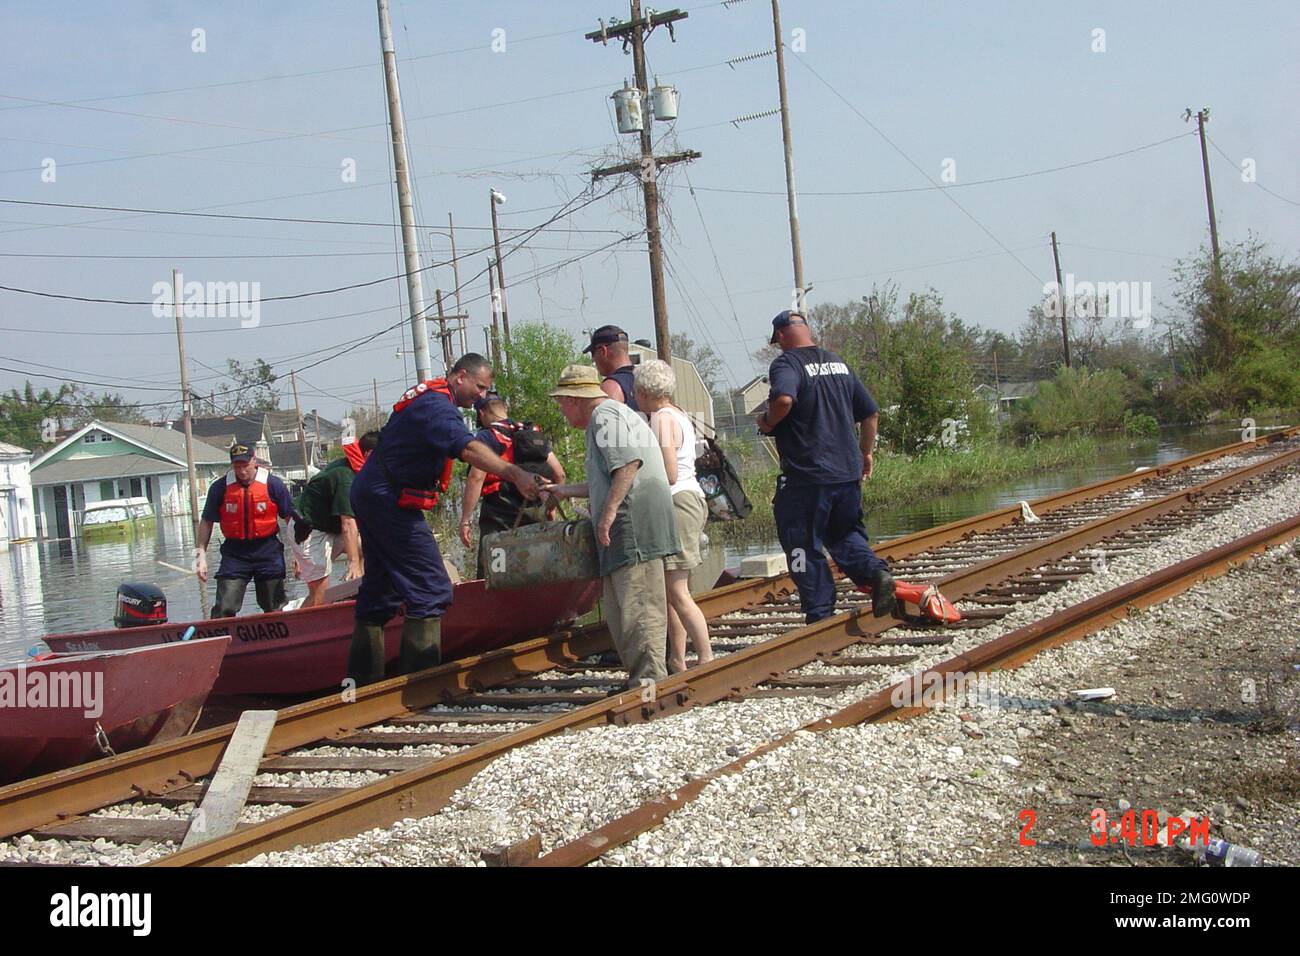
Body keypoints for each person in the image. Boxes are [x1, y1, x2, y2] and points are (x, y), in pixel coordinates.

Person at [347, 354, 540, 686]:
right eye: (478, 387)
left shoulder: (431, 399)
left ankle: (364, 687)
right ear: (460, 376)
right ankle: (420, 689)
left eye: (486, 391)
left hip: (374, 492)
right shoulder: (437, 407)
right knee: (431, 588)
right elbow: (466, 448)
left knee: (380, 590)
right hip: (387, 498)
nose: (481, 396)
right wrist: (513, 472)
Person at [543, 364, 679, 688]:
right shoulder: (609, 417)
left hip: (633, 519)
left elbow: (628, 464)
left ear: (574, 399)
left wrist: (607, 515)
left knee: (638, 603)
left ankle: (651, 682)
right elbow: (611, 475)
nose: (562, 411)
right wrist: (563, 490)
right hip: (629, 516)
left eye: (562, 402)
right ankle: (642, 678)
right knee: (622, 608)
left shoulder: (604, 416)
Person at [756, 310, 896, 623]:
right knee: (846, 535)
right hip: (847, 472)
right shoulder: (839, 363)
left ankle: (819, 615)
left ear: (780, 337)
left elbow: (784, 400)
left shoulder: (786, 363)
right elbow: (870, 413)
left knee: (801, 545)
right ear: (806, 330)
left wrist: (766, 422)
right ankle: (876, 574)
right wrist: (866, 453)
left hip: (807, 477)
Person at [633, 359, 713, 673]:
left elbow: (666, 471)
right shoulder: (679, 414)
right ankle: (677, 660)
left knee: (678, 591)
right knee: (673, 590)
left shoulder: (661, 419)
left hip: (678, 502)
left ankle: (706, 657)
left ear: (642, 392)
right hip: (690, 498)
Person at [458, 392, 566, 578]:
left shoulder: (488, 436)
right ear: (505, 409)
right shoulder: (531, 433)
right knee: (534, 568)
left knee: (493, 570)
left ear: (481, 414)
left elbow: (476, 477)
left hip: (500, 513)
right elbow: (559, 473)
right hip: (534, 509)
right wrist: (551, 507)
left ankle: (494, 605)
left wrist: (465, 520)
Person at [195, 443, 302, 619]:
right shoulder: (219, 488)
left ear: (254, 461)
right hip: (235, 553)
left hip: (267, 549)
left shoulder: (273, 485)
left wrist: (298, 555)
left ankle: (279, 640)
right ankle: (221, 639)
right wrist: (200, 557)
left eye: (245, 465)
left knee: (274, 606)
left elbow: (292, 520)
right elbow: (206, 522)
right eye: (237, 466)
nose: (241, 471)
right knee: (223, 608)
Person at [290, 430, 379, 607]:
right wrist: (353, 563)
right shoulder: (346, 476)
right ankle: (301, 626)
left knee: (369, 546)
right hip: (309, 532)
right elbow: (347, 523)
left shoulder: (358, 471)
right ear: (369, 454)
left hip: (327, 530)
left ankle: (358, 593)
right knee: (319, 592)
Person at [583, 324, 641, 414]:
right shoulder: (646, 382)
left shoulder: (611, 387)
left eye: (593, 353)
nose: (593, 359)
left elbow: (609, 427)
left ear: (603, 351)